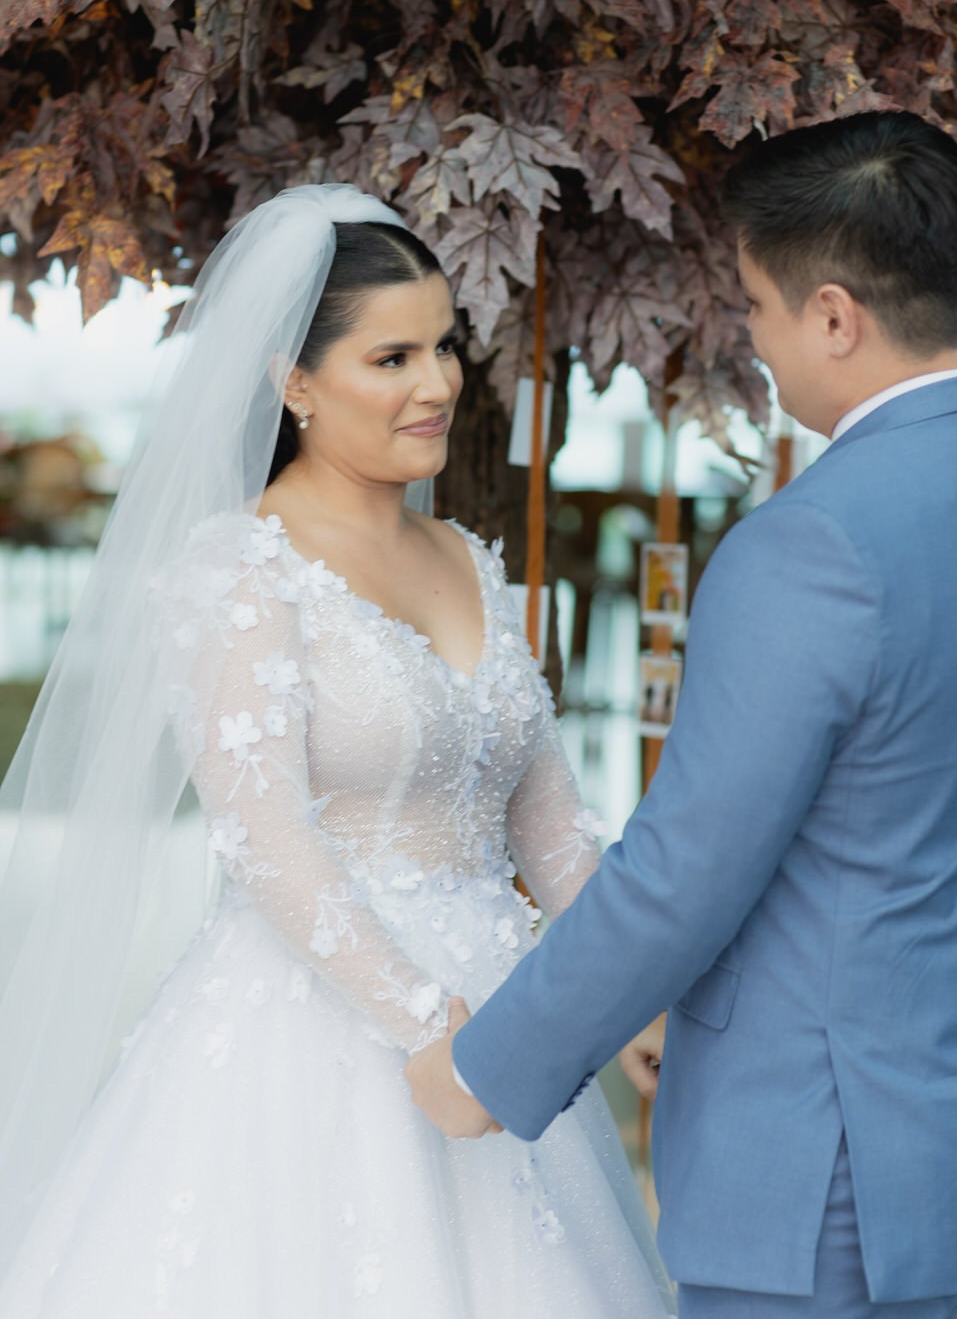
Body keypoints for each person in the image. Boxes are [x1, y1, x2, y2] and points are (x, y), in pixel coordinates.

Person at [406, 111, 957, 1318]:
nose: (754, 345)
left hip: (806, 1173)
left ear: (831, 315)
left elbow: (682, 871)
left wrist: (486, 1070)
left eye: (756, 308)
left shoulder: (808, 547)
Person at [0, 186, 674, 1317]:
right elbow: (267, 843)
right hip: (320, 1024)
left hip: (501, 1023)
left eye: (446, 346)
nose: (437, 383)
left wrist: (630, 997)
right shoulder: (237, 569)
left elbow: (549, 823)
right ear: (294, 381)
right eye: (392, 355)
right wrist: (429, 1024)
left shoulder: (467, 557)